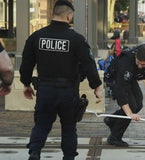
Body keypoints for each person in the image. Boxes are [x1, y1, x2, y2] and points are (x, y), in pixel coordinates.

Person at [19, 1, 102, 160]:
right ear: (69, 16)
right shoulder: (76, 39)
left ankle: (35, 152)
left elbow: (26, 63)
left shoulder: (36, 37)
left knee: (41, 125)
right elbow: (88, 64)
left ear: (53, 14)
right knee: (69, 128)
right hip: (68, 92)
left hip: (45, 91)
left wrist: (26, 84)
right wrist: (96, 86)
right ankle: (69, 157)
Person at [104, 44, 145, 147]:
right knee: (130, 107)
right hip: (116, 78)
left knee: (138, 104)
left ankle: (112, 119)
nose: (140, 66)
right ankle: (115, 137)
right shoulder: (125, 64)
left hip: (131, 78)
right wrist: (129, 114)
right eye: (138, 63)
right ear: (135, 56)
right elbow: (121, 93)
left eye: (143, 64)